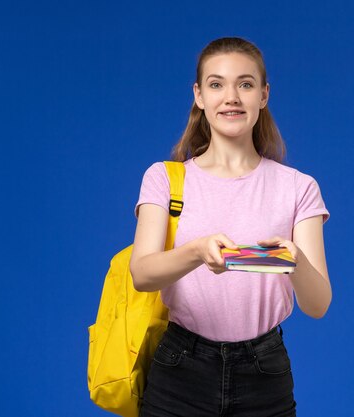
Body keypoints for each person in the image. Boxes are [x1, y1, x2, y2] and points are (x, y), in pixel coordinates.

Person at [130, 37, 331, 417]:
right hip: (179, 369)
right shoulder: (164, 180)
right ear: (199, 95)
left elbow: (318, 305)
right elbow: (142, 274)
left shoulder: (299, 187)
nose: (232, 96)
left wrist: (295, 261)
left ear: (264, 95)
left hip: (264, 371)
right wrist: (196, 251)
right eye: (216, 84)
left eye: (246, 84)